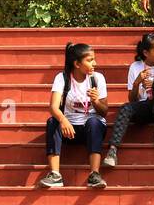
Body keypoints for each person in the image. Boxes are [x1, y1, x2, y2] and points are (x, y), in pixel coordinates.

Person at [103, 33, 154, 169]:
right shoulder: (135, 67)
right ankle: (112, 150)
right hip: (148, 107)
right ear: (145, 53)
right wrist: (137, 83)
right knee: (126, 107)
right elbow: (132, 100)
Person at [40, 42, 109, 190]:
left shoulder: (97, 78)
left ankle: (95, 174)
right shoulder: (62, 78)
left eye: (94, 59)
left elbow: (104, 111)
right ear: (77, 63)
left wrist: (95, 101)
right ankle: (55, 174)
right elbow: (53, 106)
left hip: (90, 129)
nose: (94, 63)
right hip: (68, 129)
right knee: (53, 121)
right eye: (90, 60)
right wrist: (63, 120)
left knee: (94, 122)